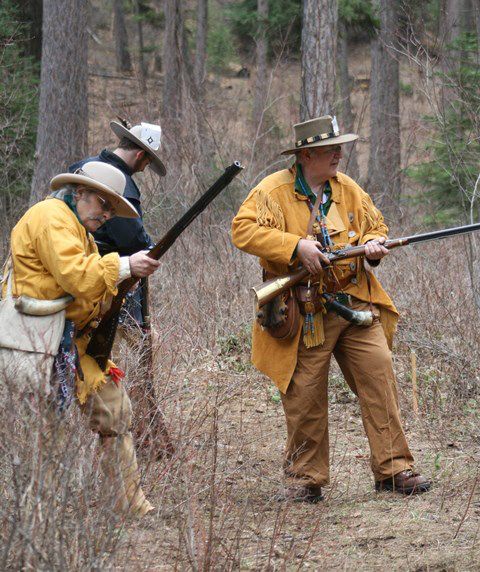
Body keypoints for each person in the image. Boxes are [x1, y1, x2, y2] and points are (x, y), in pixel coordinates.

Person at [231, 115, 430, 502]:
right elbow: (242, 230)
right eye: (330, 149)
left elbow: (376, 226)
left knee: (380, 378)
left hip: (355, 304)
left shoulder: (347, 187)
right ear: (307, 155)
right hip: (306, 314)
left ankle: (393, 469)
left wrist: (374, 245)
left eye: (339, 147)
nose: (339, 154)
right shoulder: (273, 190)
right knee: (304, 396)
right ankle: (306, 480)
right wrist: (296, 246)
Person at [0, 161, 160, 517]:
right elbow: (78, 278)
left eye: (111, 209)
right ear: (79, 193)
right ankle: (41, 521)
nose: (106, 215)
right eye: (102, 204)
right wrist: (124, 266)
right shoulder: (51, 217)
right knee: (48, 436)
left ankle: (128, 504)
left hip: (70, 343)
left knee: (115, 411)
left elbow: (87, 292)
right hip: (37, 344)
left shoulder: (77, 226)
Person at [69, 120, 166, 327]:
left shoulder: (83, 166)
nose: (144, 168)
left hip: (84, 265)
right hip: (108, 272)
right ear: (140, 155)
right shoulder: (122, 186)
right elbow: (131, 238)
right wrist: (150, 249)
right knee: (134, 334)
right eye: (147, 162)